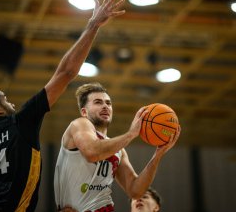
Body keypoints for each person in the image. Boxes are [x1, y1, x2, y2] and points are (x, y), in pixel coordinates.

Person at [0, 0, 125, 212]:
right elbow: (66, 73)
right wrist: (93, 25)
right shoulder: (19, 122)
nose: (12, 104)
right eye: (6, 100)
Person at [54, 82, 180, 212]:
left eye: (108, 103)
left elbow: (135, 191)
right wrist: (131, 134)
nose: (105, 106)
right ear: (84, 112)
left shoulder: (119, 150)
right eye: (98, 102)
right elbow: (92, 152)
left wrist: (158, 154)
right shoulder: (79, 124)